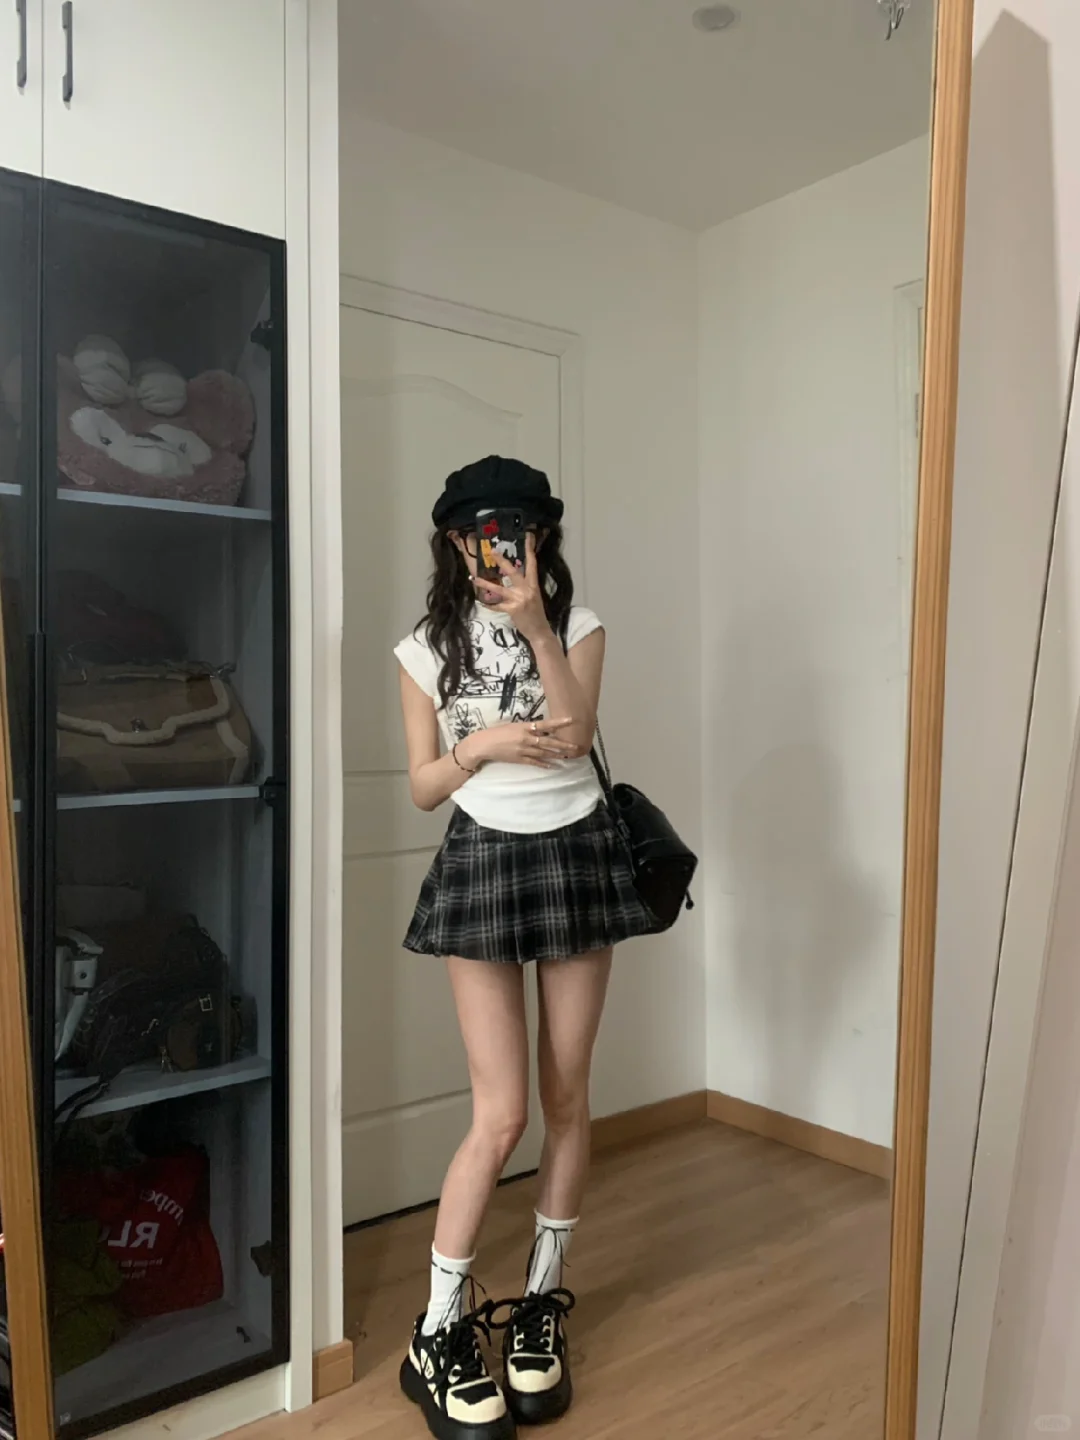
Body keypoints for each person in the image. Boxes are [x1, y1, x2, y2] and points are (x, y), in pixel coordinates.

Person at [394, 456, 654, 1439]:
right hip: (483, 860)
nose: (495, 546)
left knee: (566, 1097)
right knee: (500, 1114)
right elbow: (424, 788)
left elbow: (578, 735)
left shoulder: (578, 627)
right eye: (479, 532)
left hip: (577, 851)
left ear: (541, 537)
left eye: (515, 529)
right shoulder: (423, 648)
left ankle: (541, 1304)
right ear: (452, 541)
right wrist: (484, 746)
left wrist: (539, 624)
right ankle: (437, 1327)